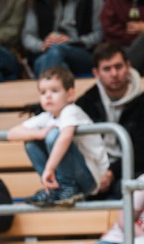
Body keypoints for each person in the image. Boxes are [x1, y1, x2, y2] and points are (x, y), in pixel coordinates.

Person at [8, 65, 109, 206]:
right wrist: (38, 134)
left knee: (54, 135)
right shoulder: (47, 116)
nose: (48, 96)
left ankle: (67, 187)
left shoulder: (71, 110)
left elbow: (65, 137)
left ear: (70, 95)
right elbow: (12, 133)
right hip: (70, 175)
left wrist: (49, 169)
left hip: (90, 177)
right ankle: (53, 189)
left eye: (54, 91)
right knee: (31, 142)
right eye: (43, 92)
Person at [74, 43, 144, 196]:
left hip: (131, 174)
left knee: (131, 189)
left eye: (118, 66)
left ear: (128, 66)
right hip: (93, 173)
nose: (114, 73)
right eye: (107, 69)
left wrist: (112, 173)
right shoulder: (85, 104)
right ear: (96, 73)